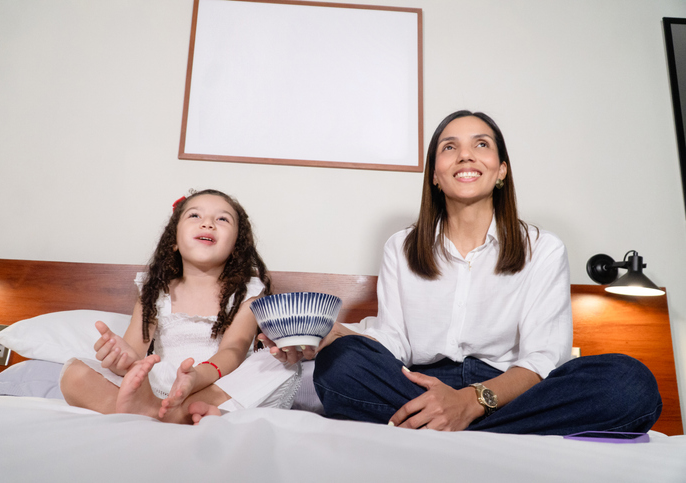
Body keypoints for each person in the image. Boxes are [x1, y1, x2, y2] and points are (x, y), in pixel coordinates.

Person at [266, 110, 662, 435]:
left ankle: (453, 427)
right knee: (341, 363)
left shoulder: (543, 248)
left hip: (506, 390)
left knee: (630, 382)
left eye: (482, 145)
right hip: (417, 385)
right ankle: (477, 429)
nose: (466, 155)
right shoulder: (401, 247)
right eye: (450, 147)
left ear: (502, 170)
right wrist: (331, 334)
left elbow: (543, 357)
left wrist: (471, 401)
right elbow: (394, 340)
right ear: (435, 176)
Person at [60, 189, 300, 424]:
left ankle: (164, 414)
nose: (207, 224)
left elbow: (233, 351)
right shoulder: (153, 288)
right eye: (195, 216)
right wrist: (120, 358)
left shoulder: (248, 291)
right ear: (174, 241)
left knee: (281, 363)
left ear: (236, 247)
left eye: (222, 219)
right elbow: (135, 352)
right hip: (158, 384)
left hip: (216, 384)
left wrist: (195, 378)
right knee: (75, 373)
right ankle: (160, 411)